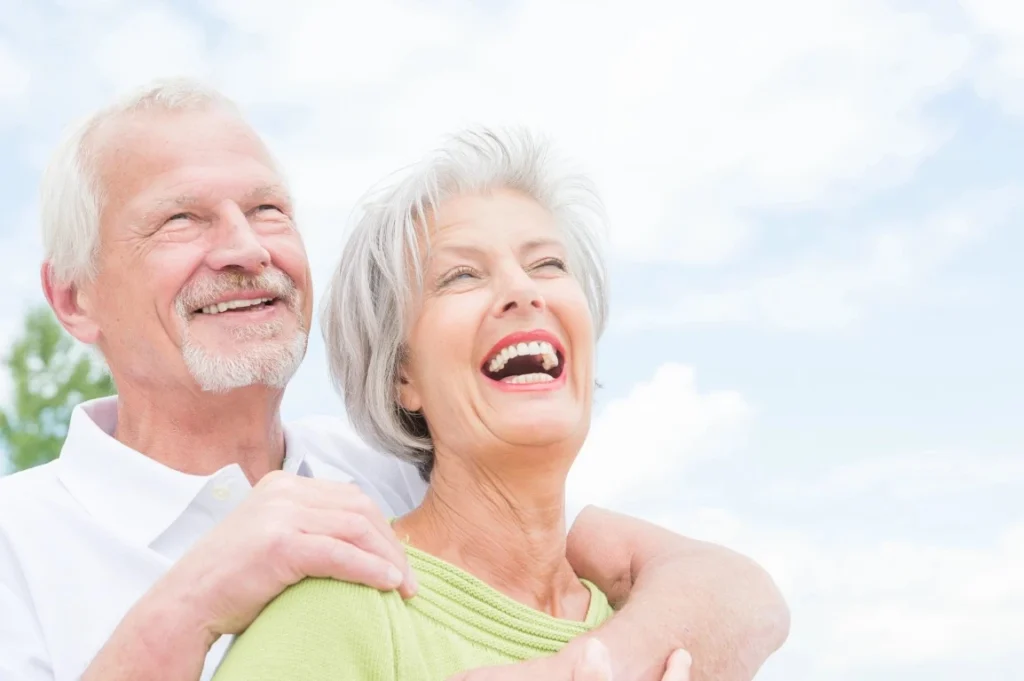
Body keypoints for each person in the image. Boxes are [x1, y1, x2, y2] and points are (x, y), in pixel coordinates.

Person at [0, 79, 789, 681]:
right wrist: (188, 604)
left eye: (269, 208)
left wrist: (593, 667)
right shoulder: (17, 544)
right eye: (182, 218)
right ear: (74, 297)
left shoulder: (402, 470)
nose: (246, 248)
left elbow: (730, 587)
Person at [208, 126, 703, 680]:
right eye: (461, 275)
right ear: (401, 374)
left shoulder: (645, 629)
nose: (523, 290)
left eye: (547, 265)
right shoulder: (341, 606)